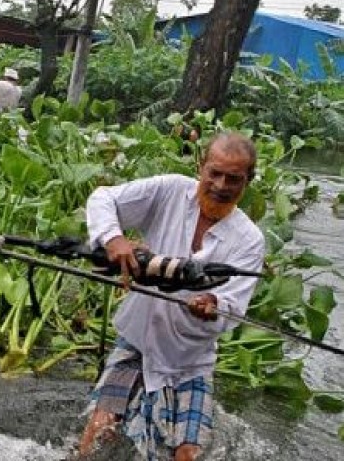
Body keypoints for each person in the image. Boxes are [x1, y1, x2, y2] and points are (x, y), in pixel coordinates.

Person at [77, 133, 265, 461]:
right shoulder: (170, 191)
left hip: (189, 360)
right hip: (137, 340)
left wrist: (213, 305)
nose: (220, 186)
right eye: (214, 173)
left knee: (187, 454)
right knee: (99, 433)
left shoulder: (249, 240)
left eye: (233, 179)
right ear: (201, 166)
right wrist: (114, 239)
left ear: (248, 181)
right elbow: (103, 198)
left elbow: (233, 306)